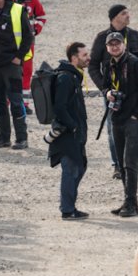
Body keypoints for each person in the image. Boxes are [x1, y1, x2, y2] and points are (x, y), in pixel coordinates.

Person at [100, 31, 138, 218]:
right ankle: (128, 200)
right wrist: (108, 92)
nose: (114, 47)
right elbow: (106, 84)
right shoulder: (109, 65)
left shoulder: (135, 63)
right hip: (117, 117)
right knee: (121, 162)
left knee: (130, 161)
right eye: (111, 45)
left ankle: (131, 204)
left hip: (133, 118)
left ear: (123, 45)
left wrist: (136, 114)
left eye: (117, 44)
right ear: (107, 48)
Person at [0, 0, 33, 150]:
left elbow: (28, 36)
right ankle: (3, 138)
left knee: (16, 101)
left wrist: (19, 57)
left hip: (11, 65)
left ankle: (21, 138)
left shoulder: (18, 10)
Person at [51, 42, 90, 220]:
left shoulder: (74, 76)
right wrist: (73, 125)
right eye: (84, 55)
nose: (88, 58)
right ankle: (67, 210)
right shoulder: (66, 78)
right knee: (71, 169)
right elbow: (59, 106)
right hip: (69, 134)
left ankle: (69, 206)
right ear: (74, 58)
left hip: (75, 132)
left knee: (79, 167)